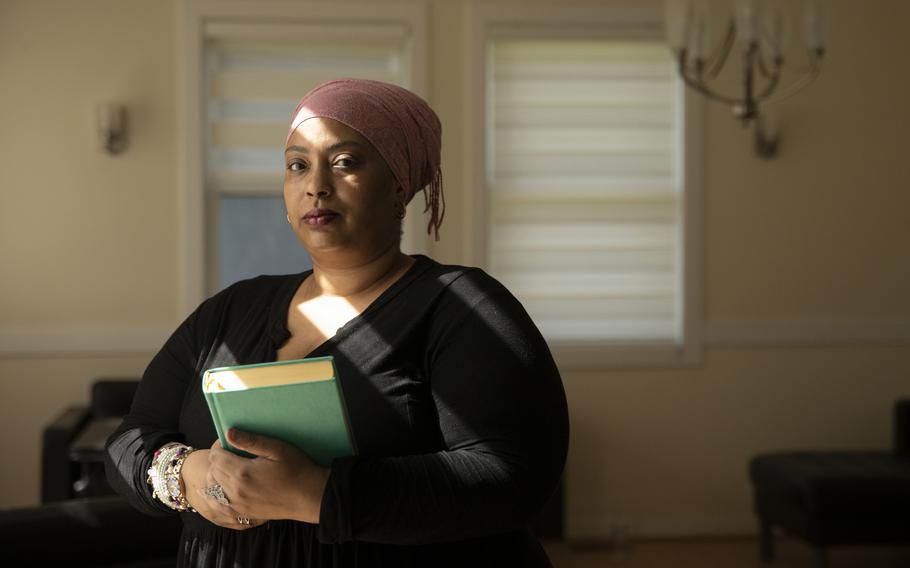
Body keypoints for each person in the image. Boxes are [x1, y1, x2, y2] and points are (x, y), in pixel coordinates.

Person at [105, 78, 569, 567]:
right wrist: (187, 475)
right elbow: (130, 438)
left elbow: (513, 477)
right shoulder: (229, 310)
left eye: (345, 162)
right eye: (297, 165)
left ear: (399, 185)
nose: (316, 185)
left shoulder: (463, 308)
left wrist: (317, 495)